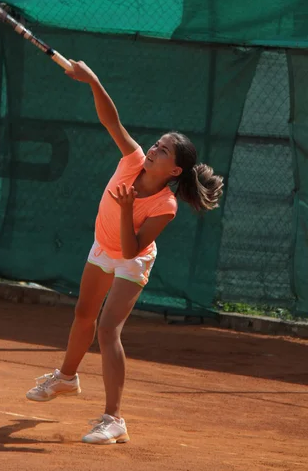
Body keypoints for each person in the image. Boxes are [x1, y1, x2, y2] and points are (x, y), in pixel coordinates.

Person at [26, 60, 224, 444]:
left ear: (175, 170)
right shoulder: (132, 160)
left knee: (107, 327)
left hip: (133, 257)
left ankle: (114, 419)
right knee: (83, 314)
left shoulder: (165, 207)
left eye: (164, 150)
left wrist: (125, 207)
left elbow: (133, 248)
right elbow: (111, 121)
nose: (153, 149)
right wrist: (94, 81)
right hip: (103, 246)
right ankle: (66, 378)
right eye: (156, 144)